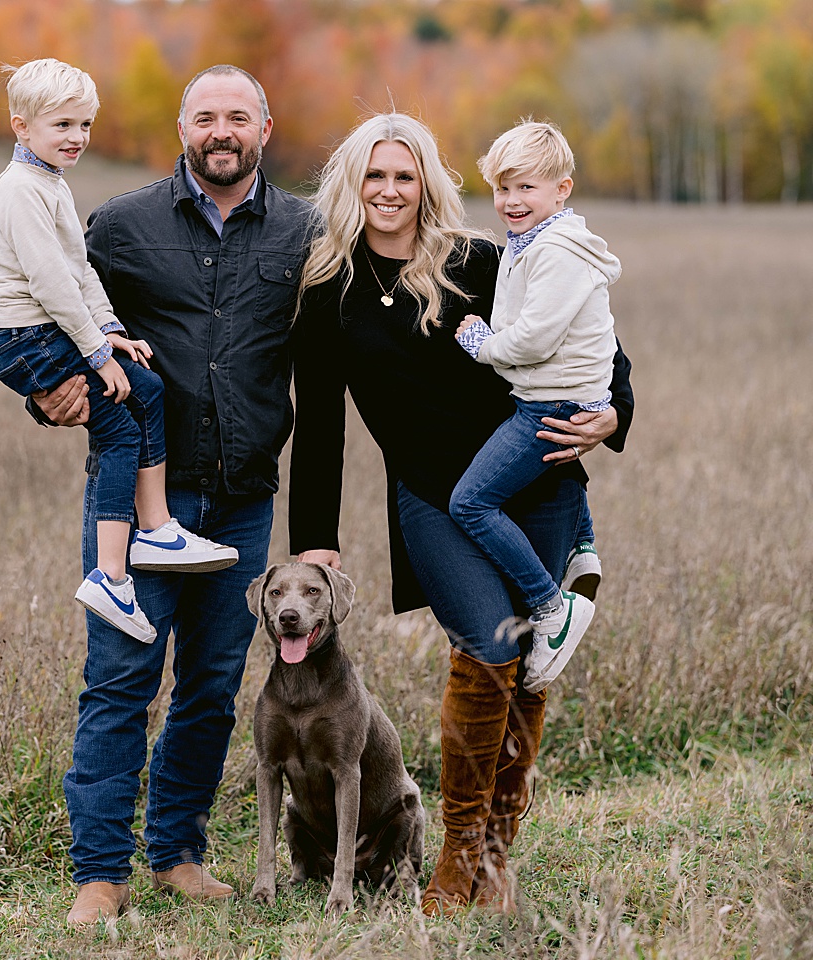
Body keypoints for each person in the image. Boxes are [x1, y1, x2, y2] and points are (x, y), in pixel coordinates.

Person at [286, 113, 633, 917]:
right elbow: (323, 422)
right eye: (374, 175)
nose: (389, 191)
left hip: (536, 473)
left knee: (531, 662)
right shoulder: (327, 287)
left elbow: (592, 332)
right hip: (432, 497)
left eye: (404, 175)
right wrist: (316, 539)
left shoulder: (479, 259)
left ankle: (496, 859)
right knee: (487, 642)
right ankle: (455, 854)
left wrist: (614, 409)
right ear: (352, 183)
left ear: (427, 183)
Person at [29, 64, 315, 925]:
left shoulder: (307, 231)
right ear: (182, 127)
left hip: (242, 498)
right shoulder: (119, 226)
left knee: (212, 683)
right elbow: (43, 302)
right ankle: (100, 874)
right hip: (137, 499)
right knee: (120, 680)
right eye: (204, 117)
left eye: (237, 117)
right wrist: (43, 392)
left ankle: (178, 852)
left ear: (265, 126)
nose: (220, 131)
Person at [0, 59, 238, 645]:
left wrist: (111, 330)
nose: (77, 138)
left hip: (51, 329)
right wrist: (97, 356)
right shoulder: (19, 189)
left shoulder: (51, 184)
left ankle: (158, 528)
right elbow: (49, 283)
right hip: (25, 336)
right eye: (61, 125)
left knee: (146, 386)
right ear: (21, 127)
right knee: (119, 429)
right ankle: (110, 575)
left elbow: (81, 273)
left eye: (85, 125)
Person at [449, 119, 621, 694]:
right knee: (540, 469)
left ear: (562, 190)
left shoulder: (556, 252)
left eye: (527, 187)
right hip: (559, 393)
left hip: (552, 400)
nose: (511, 201)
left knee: (470, 502)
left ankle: (552, 609)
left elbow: (532, 339)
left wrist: (479, 342)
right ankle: (583, 549)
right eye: (503, 188)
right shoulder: (535, 244)